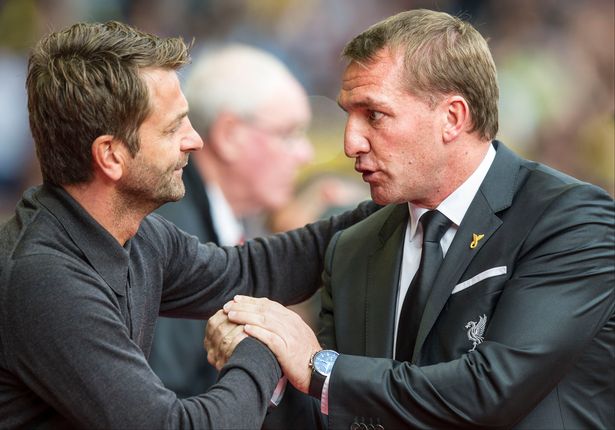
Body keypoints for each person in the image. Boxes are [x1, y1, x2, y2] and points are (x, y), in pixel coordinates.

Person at [214, 9, 615, 429]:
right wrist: (266, 359)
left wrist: (319, 366)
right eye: (348, 114)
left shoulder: (573, 222)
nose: (350, 142)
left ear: (453, 118)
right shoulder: (354, 246)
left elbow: (491, 390)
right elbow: (334, 412)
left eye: (374, 115)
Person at [0, 21, 379, 429]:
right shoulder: (46, 280)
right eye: (172, 127)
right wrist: (264, 346)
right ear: (110, 156)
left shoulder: (137, 233)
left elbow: (250, 271)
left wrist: (393, 203)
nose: (195, 140)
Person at [148, 44, 314, 398]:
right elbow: (170, 392)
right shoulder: (172, 231)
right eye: (289, 134)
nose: (305, 154)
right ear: (228, 135)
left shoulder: (219, 219)